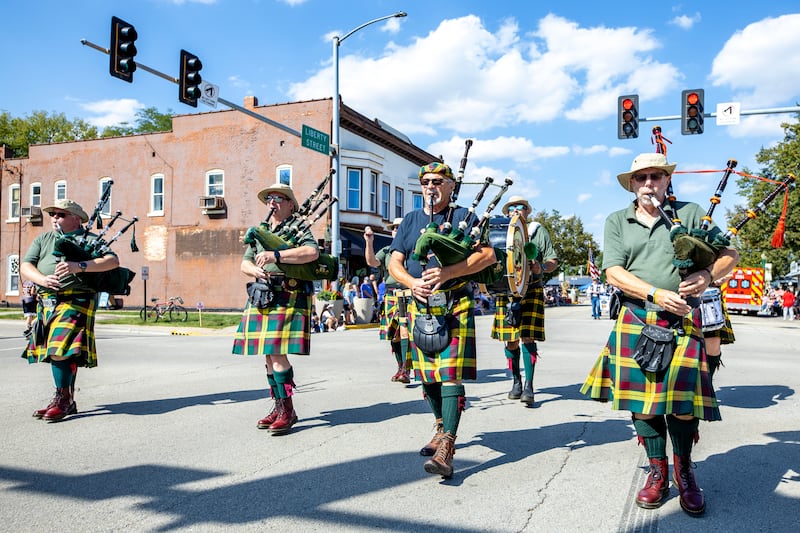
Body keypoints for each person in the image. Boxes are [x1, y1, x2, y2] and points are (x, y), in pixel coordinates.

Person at [581, 153, 739, 515]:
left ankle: (684, 471)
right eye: (641, 178)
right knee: (644, 406)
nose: (648, 183)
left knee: (683, 406)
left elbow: (730, 251)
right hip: (638, 318)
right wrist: (654, 293)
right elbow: (613, 272)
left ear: (667, 180)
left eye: (656, 176)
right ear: (632, 184)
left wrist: (708, 275)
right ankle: (657, 471)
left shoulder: (693, 212)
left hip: (683, 321)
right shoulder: (617, 220)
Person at [388, 162, 497, 479]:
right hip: (418, 303)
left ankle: (447, 444)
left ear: (451, 186)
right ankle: (439, 426)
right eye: (425, 182)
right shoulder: (410, 221)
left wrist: (448, 272)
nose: (430, 186)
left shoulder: (466, 217)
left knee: (449, 374)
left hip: (455, 301)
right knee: (427, 375)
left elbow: (487, 256)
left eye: (437, 181)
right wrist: (411, 282)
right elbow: (395, 261)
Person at [21, 199, 121, 422]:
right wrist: (43, 280)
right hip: (48, 300)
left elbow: (112, 261)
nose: (54, 217)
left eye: (60, 214)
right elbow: (27, 265)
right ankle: (67, 399)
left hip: (76, 300)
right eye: (53, 214)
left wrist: (80, 266)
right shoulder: (43, 239)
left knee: (59, 348)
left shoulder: (90, 240)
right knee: (62, 352)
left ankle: (62, 399)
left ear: (76, 218)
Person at [232, 183, 319, 436]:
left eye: (280, 198)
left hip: (289, 293)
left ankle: (287, 411)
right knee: (268, 356)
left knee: (277, 355)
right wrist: (254, 270)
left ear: (291, 204)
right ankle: (279, 406)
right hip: (263, 294)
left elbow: (311, 252)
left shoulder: (298, 227)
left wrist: (276, 256)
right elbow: (244, 263)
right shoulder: (259, 232)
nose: (273, 202)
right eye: (270, 198)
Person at [490, 195, 559, 406]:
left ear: (528, 211)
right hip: (507, 292)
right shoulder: (499, 234)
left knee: (528, 338)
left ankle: (529, 385)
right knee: (510, 340)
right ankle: (515, 381)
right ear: (507, 212)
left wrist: (541, 267)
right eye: (512, 207)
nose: (516, 210)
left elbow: (552, 261)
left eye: (521, 207)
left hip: (532, 289)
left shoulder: (537, 231)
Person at [365, 218, 413, 383]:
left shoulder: (413, 249)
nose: (396, 230)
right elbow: (372, 262)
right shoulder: (386, 251)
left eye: (400, 228)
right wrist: (369, 242)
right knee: (394, 335)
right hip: (391, 295)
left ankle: (406, 370)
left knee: (407, 332)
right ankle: (400, 367)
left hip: (410, 293)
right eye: (394, 228)